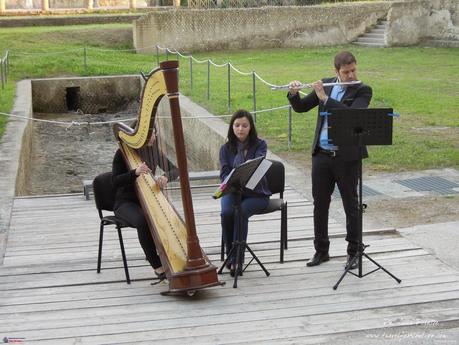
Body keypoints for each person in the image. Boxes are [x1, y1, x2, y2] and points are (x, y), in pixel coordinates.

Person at [287, 51, 372, 270]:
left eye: (353, 70)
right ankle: (321, 251)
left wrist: (326, 99)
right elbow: (301, 107)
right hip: (322, 156)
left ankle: (354, 252)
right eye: (346, 72)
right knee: (320, 204)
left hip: (347, 158)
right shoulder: (325, 84)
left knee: (351, 206)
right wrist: (294, 93)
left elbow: (353, 116)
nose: (351, 75)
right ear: (336, 72)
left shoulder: (363, 90)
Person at [112, 126, 178, 280]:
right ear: (139, 136)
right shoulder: (122, 153)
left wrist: (166, 176)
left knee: (166, 216)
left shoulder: (154, 150)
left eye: (154, 134)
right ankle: (157, 266)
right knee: (143, 220)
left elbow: (176, 170)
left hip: (147, 199)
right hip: (125, 203)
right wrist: (134, 173)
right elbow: (114, 181)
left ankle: (172, 254)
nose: (153, 138)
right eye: (149, 135)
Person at [219, 109, 271, 276]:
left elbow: (257, 166)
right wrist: (230, 180)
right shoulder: (225, 148)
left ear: (250, 127)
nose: (240, 129)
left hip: (257, 193)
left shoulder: (260, 144)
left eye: (244, 125)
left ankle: (238, 260)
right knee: (227, 213)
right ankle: (230, 256)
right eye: (236, 125)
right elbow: (224, 172)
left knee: (240, 213)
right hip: (233, 191)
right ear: (232, 127)